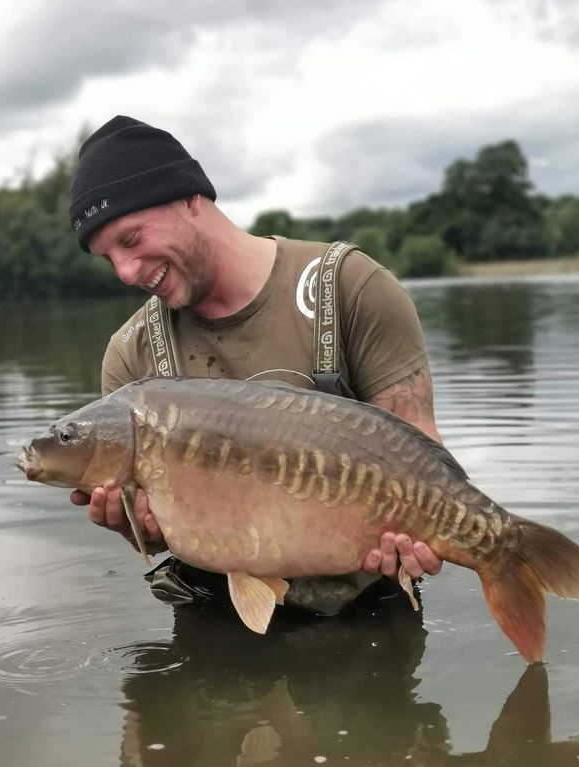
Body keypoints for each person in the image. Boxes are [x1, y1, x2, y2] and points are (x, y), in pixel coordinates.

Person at [67, 115, 442, 613]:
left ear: (190, 198)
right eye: (107, 257)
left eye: (131, 239)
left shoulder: (352, 287)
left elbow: (420, 448)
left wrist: (427, 533)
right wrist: (140, 531)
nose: (126, 272)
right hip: (214, 618)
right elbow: (154, 535)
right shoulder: (131, 355)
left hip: (368, 613)